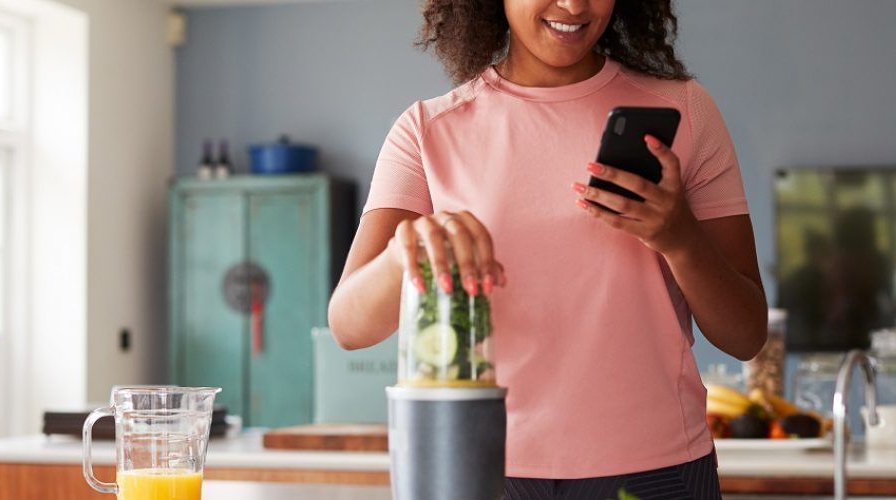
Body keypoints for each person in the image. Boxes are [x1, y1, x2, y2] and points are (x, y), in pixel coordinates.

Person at [328, 0, 767, 498]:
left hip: (658, 472)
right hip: (480, 466)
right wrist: (404, 252)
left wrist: (679, 237)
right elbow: (349, 326)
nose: (575, 6)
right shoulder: (427, 131)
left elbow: (746, 335)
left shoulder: (687, 112)